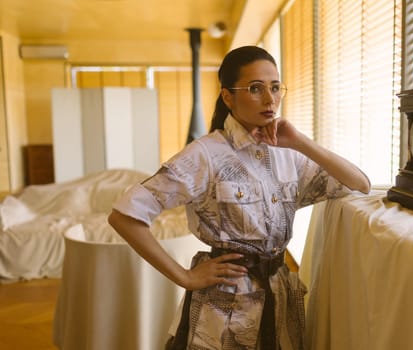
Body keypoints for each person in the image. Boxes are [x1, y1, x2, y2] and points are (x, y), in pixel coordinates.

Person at [108, 45, 370, 350]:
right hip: (225, 311)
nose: (270, 99)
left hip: (280, 301)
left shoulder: (287, 154)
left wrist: (299, 141)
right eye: (255, 88)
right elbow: (124, 215)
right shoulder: (206, 154)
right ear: (228, 96)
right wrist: (185, 277)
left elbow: (358, 184)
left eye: (275, 87)